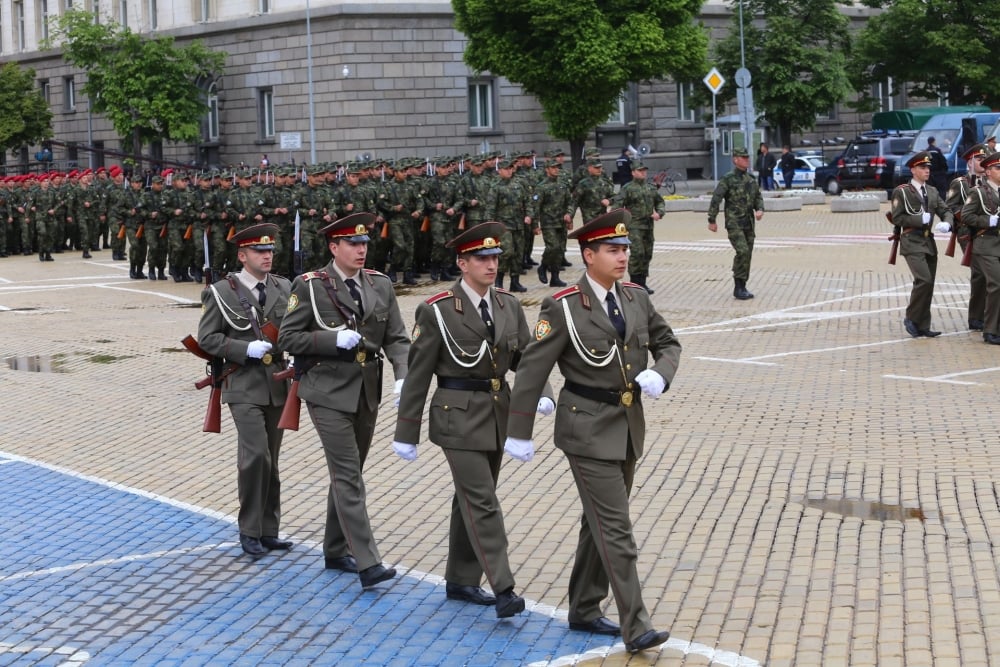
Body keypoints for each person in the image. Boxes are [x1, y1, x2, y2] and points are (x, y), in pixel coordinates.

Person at [503, 209, 681, 654]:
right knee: (616, 528)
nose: (622, 257)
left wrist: (662, 372)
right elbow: (531, 368)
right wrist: (519, 430)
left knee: (597, 522)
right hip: (584, 428)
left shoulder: (636, 297)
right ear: (588, 254)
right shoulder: (562, 306)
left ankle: (584, 606)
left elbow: (669, 342)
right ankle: (635, 624)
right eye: (613, 250)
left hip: (626, 426)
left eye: (625, 249)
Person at [391, 222, 545, 619]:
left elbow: (525, 359)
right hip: (456, 417)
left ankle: (460, 578)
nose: (491, 264)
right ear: (463, 262)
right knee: (483, 501)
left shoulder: (508, 305)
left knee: (470, 498)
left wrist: (542, 393)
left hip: (497, 413)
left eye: (495, 257)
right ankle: (504, 585)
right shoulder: (438, 308)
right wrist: (406, 431)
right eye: (482, 258)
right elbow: (419, 371)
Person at [277, 212, 409, 589]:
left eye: (364, 243)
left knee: (349, 473)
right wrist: (329, 340)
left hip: (367, 390)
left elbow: (396, 337)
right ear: (334, 247)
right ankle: (368, 562)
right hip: (327, 391)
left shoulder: (380, 285)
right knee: (348, 474)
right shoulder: (310, 285)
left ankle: (335, 549)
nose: (361, 249)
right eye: (352, 243)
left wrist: (404, 377)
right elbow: (288, 338)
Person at [196, 223, 292, 557]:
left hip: (278, 384)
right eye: (259, 251)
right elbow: (207, 338)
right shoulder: (222, 292)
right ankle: (249, 530)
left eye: (269, 251)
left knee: (272, 460)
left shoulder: (284, 287)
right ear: (242, 255)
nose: (266, 256)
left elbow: (293, 330)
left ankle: (269, 530)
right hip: (243, 383)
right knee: (256, 457)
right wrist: (242, 349)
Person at [890, 151, 953, 337]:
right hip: (911, 241)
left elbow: (946, 209)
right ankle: (911, 317)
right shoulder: (901, 191)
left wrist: (947, 222)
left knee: (929, 283)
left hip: (928, 241)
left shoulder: (932, 191)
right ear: (913, 170)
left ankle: (923, 325)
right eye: (922, 167)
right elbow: (897, 217)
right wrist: (918, 219)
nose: (927, 171)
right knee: (923, 279)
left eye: (928, 168)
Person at [708, 147, 764, 300]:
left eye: (748, 157)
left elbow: (758, 197)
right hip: (734, 223)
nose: (747, 160)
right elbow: (716, 198)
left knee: (747, 254)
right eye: (743, 157)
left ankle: (742, 285)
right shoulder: (728, 178)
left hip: (749, 223)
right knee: (743, 251)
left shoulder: (751, 179)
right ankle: (738, 287)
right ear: (735, 159)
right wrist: (712, 219)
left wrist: (760, 209)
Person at [944, 143, 989, 330]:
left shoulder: (990, 182)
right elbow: (950, 206)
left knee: (985, 276)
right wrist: (967, 216)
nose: (982, 162)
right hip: (968, 233)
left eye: (984, 159)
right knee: (980, 273)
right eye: (979, 159)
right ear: (969, 161)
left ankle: (984, 315)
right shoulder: (961, 183)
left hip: (989, 233)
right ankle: (977, 317)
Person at [960, 152, 1000, 344]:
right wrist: (987, 220)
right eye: (998, 168)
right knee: (996, 284)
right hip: (985, 244)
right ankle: (990, 330)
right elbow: (965, 216)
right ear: (989, 171)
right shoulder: (979, 192)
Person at [612, 159, 665, 293]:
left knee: (647, 254)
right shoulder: (627, 188)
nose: (643, 173)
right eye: (640, 171)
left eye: (644, 171)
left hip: (648, 226)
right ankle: (634, 284)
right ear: (633, 173)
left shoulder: (650, 188)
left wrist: (659, 213)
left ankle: (642, 283)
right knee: (637, 253)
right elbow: (617, 206)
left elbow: (660, 202)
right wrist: (620, 223)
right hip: (634, 226)